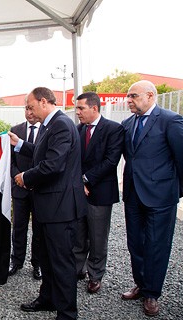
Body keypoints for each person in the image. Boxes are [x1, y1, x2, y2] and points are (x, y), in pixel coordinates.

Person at [8, 87, 87, 320]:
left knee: (61, 262)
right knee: (48, 258)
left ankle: (66, 313)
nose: (29, 112)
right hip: (49, 206)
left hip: (60, 207)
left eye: (31, 107)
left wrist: (26, 177)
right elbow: (42, 153)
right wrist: (20, 144)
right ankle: (48, 299)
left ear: (44, 102)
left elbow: (53, 164)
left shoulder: (61, 124)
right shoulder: (49, 125)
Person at [120, 80, 183, 317]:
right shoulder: (127, 124)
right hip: (133, 195)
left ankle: (152, 294)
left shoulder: (170, 120)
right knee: (135, 243)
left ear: (150, 95)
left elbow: (181, 159)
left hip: (161, 197)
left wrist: (175, 192)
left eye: (133, 96)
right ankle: (141, 283)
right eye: (128, 96)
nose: (129, 100)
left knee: (157, 246)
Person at [73, 92, 124, 294]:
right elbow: (73, 160)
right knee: (78, 234)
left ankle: (95, 275)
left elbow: (111, 161)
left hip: (100, 192)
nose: (77, 113)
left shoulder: (113, 129)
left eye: (81, 108)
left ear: (94, 108)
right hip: (79, 192)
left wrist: (86, 180)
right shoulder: (77, 130)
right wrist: (78, 182)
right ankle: (78, 269)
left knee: (98, 236)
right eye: (76, 108)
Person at [8, 106, 42, 280]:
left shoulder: (47, 130)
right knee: (19, 227)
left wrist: (30, 178)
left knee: (39, 228)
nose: (29, 112)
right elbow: (11, 160)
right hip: (19, 188)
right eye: (26, 109)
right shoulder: (16, 130)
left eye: (32, 109)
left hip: (39, 188)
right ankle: (17, 261)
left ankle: (37, 264)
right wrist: (17, 177)